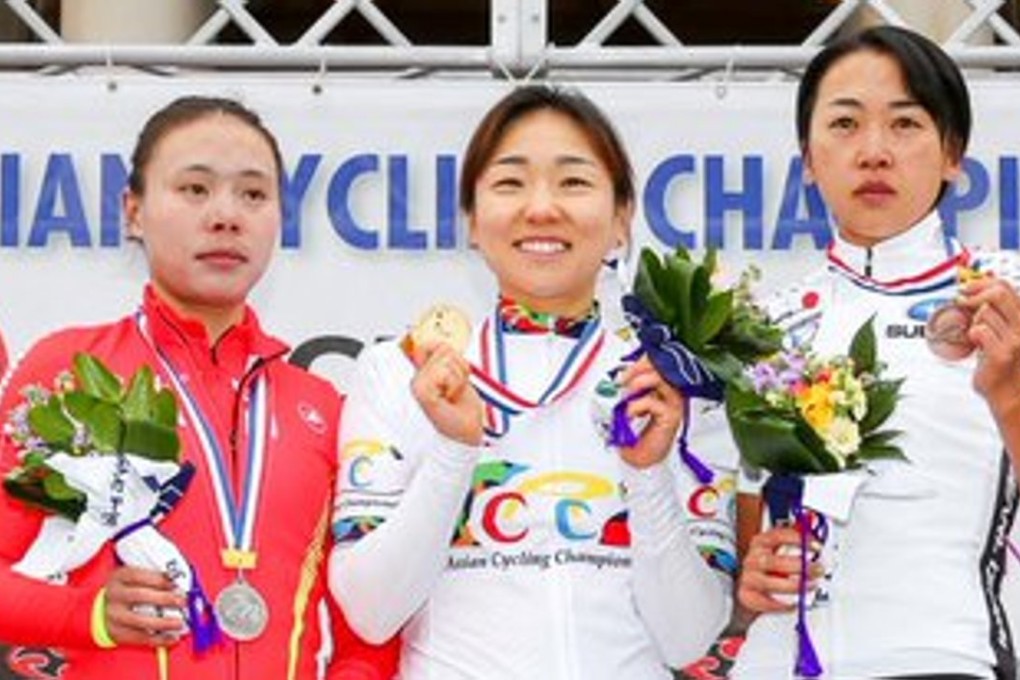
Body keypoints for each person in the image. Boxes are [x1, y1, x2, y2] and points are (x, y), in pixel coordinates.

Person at [327, 85, 733, 680]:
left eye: (573, 182)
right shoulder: (401, 371)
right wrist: (453, 453)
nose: (541, 208)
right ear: (470, 220)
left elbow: (689, 636)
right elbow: (370, 612)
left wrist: (648, 476)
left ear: (622, 220)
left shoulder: (673, 384)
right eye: (510, 183)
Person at [0, 96, 397, 679]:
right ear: (132, 212)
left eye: (253, 194)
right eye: (194, 189)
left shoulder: (322, 407)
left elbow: (372, 618)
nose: (226, 216)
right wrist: (86, 616)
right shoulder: (70, 372)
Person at [733, 25, 1020, 680]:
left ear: (954, 154)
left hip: (942, 658)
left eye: (905, 124)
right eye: (843, 123)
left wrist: (1010, 394)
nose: (873, 152)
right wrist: (750, 582)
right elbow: (743, 555)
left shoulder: (1009, 297)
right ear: (807, 157)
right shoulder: (763, 327)